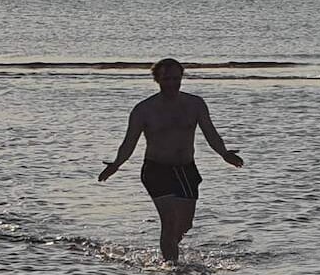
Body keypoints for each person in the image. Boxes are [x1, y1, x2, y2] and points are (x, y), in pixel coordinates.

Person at [98, 58, 244, 264]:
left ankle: (168, 250)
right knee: (169, 221)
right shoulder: (144, 110)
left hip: (186, 170)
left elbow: (210, 133)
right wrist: (115, 165)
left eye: (177, 78)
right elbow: (129, 142)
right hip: (156, 170)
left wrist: (224, 153)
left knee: (184, 225)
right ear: (157, 79)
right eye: (167, 79)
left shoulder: (195, 104)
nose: (172, 83)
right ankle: (172, 269)